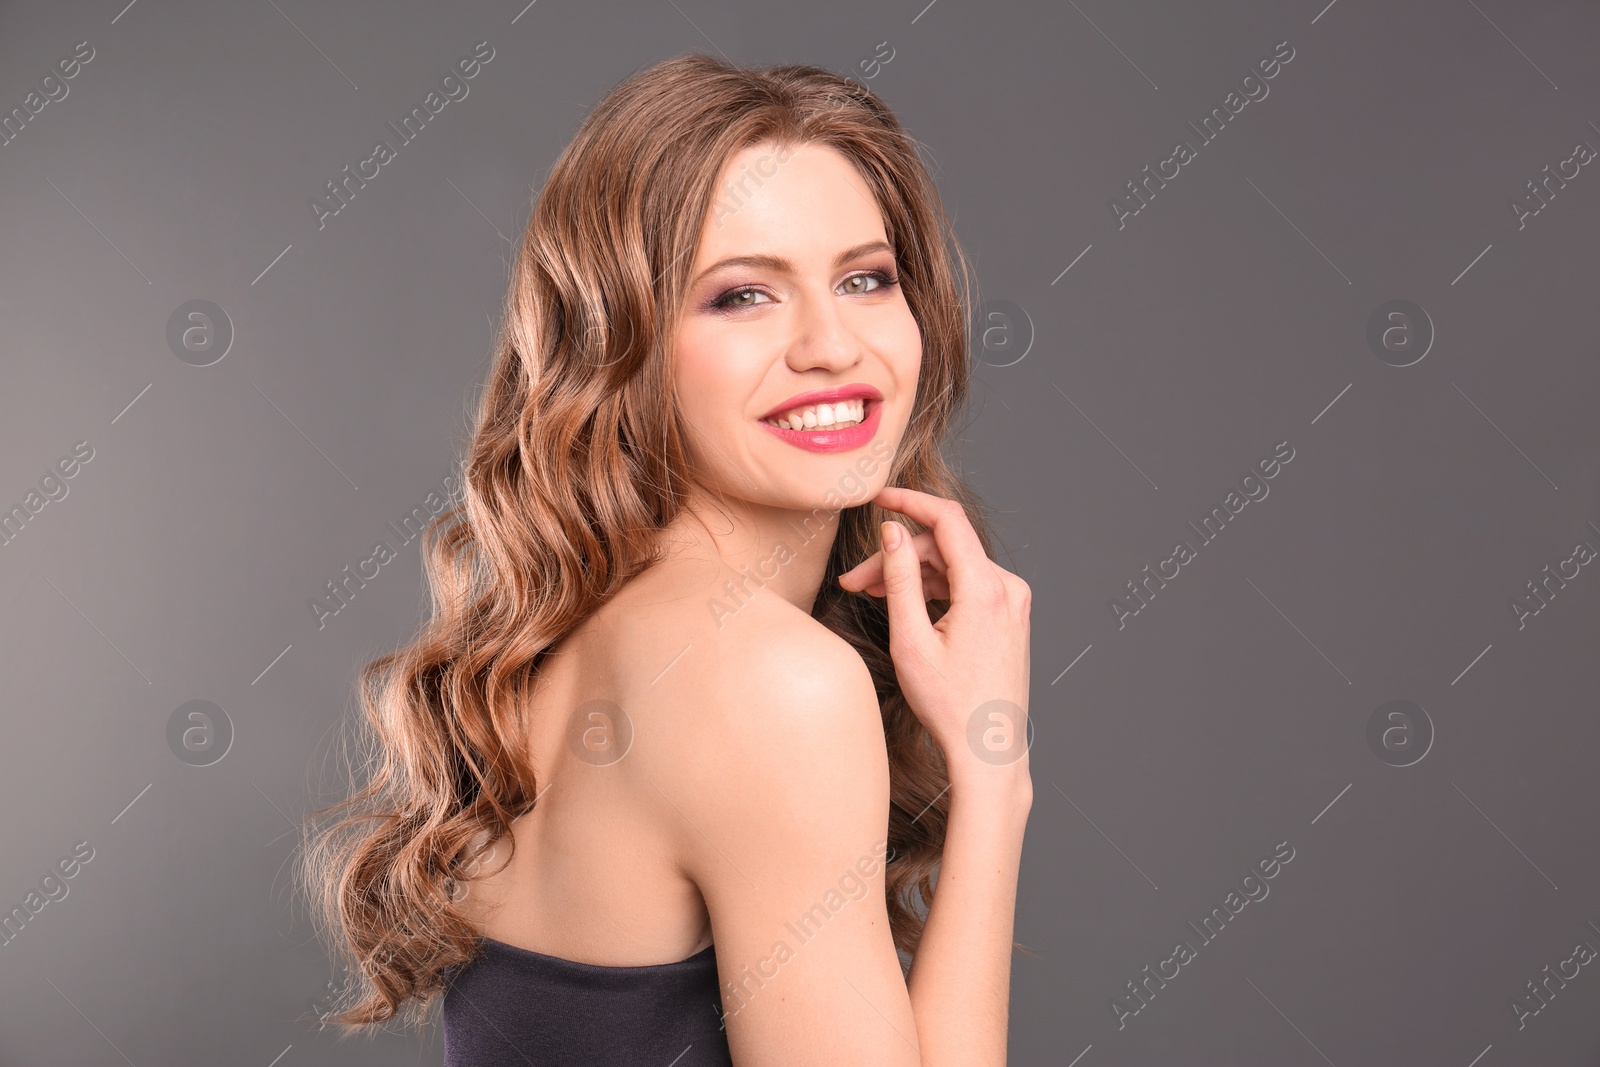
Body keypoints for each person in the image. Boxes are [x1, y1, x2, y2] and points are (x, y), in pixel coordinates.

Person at [298, 52, 1033, 1066]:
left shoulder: (552, 640)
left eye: (866, 278)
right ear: (621, 341)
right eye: (742, 296)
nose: (832, 344)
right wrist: (993, 778)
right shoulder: (773, 683)